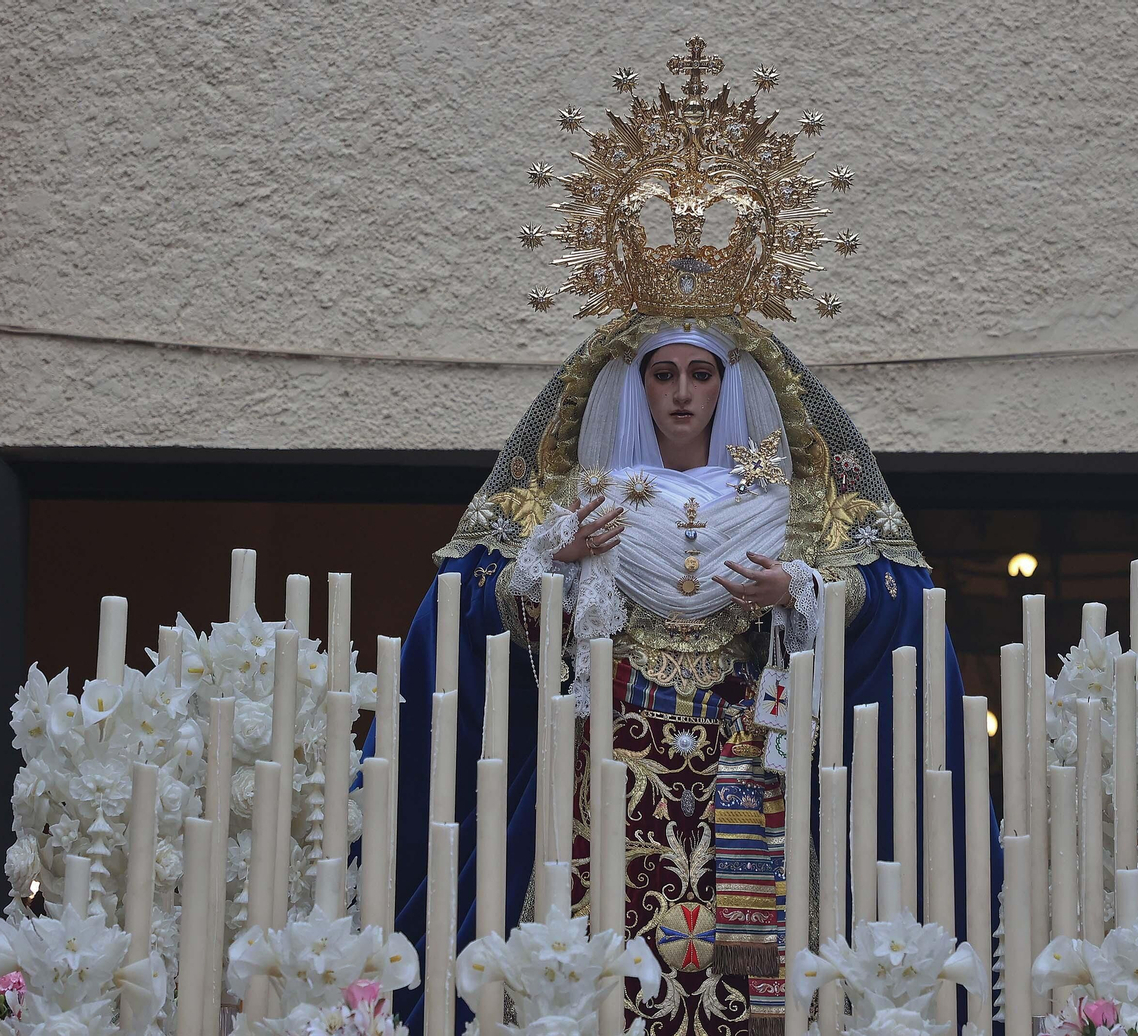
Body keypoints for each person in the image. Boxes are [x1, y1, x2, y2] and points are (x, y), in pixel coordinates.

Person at [372, 38, 1001, 1034]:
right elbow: (476, 602)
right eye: (662, 375)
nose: (679, 395)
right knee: (591, 975)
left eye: (698, 376)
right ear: (635, 382)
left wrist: (794, 594)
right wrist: (558, 567)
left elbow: (891, 601)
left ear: (731, 384)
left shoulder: (781, 486)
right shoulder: (588, 490)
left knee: (747, 972)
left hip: (748, 751)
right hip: (604, 755)